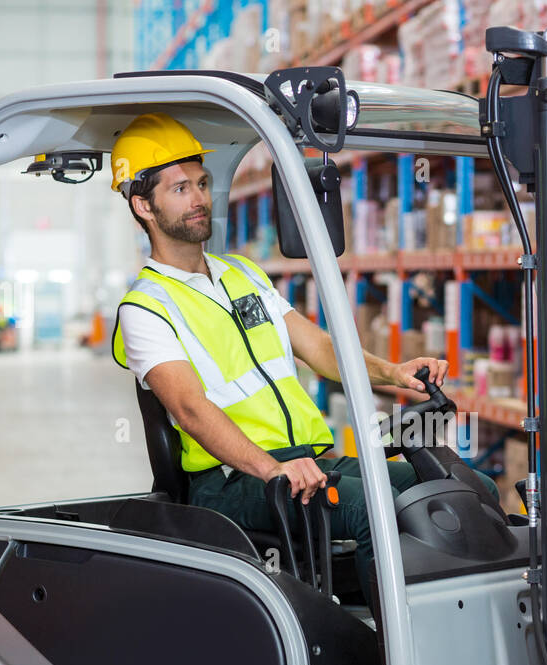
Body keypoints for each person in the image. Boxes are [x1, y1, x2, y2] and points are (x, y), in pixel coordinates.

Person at [110, 113, 500, 606]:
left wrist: (393, 373)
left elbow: (317, 347)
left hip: (311, 464)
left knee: (466, 486)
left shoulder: (243, 274)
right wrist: (272, 469)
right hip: (236, 480)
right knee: (369, 509)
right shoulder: (146, 307)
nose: (200, 199)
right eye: (181, 188)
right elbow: (189, 409)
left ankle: (475, 627)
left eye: (203, 184)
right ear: (143, 205)